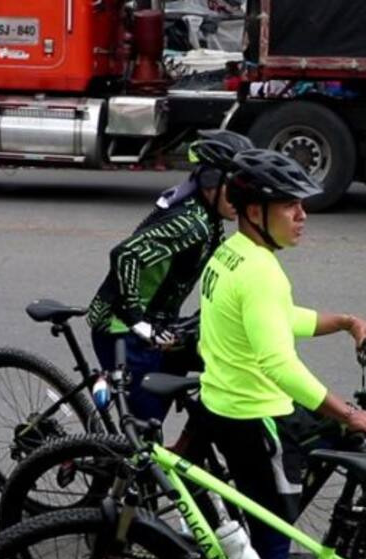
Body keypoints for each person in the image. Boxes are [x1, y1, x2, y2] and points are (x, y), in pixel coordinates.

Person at [197, 148, 366, 559]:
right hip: (256, 418)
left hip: (226, 407)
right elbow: (279, 363)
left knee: (279, 499)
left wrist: (346, 321)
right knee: (274, 542)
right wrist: (351, 413)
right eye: (289, 205)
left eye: (303, 205)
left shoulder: (232, 254)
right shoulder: (260, 272)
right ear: (254, 210)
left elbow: (280, 323)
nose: (302, 215)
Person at [85, 129, 252, 421]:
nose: (241, 197)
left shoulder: (210, 218)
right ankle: (107, 456)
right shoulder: (191, 222)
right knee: (145, 430)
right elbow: (125, 255)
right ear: (211, 181)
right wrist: (137, 320)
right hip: (121, 330)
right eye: (235, 187)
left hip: (163, 323)